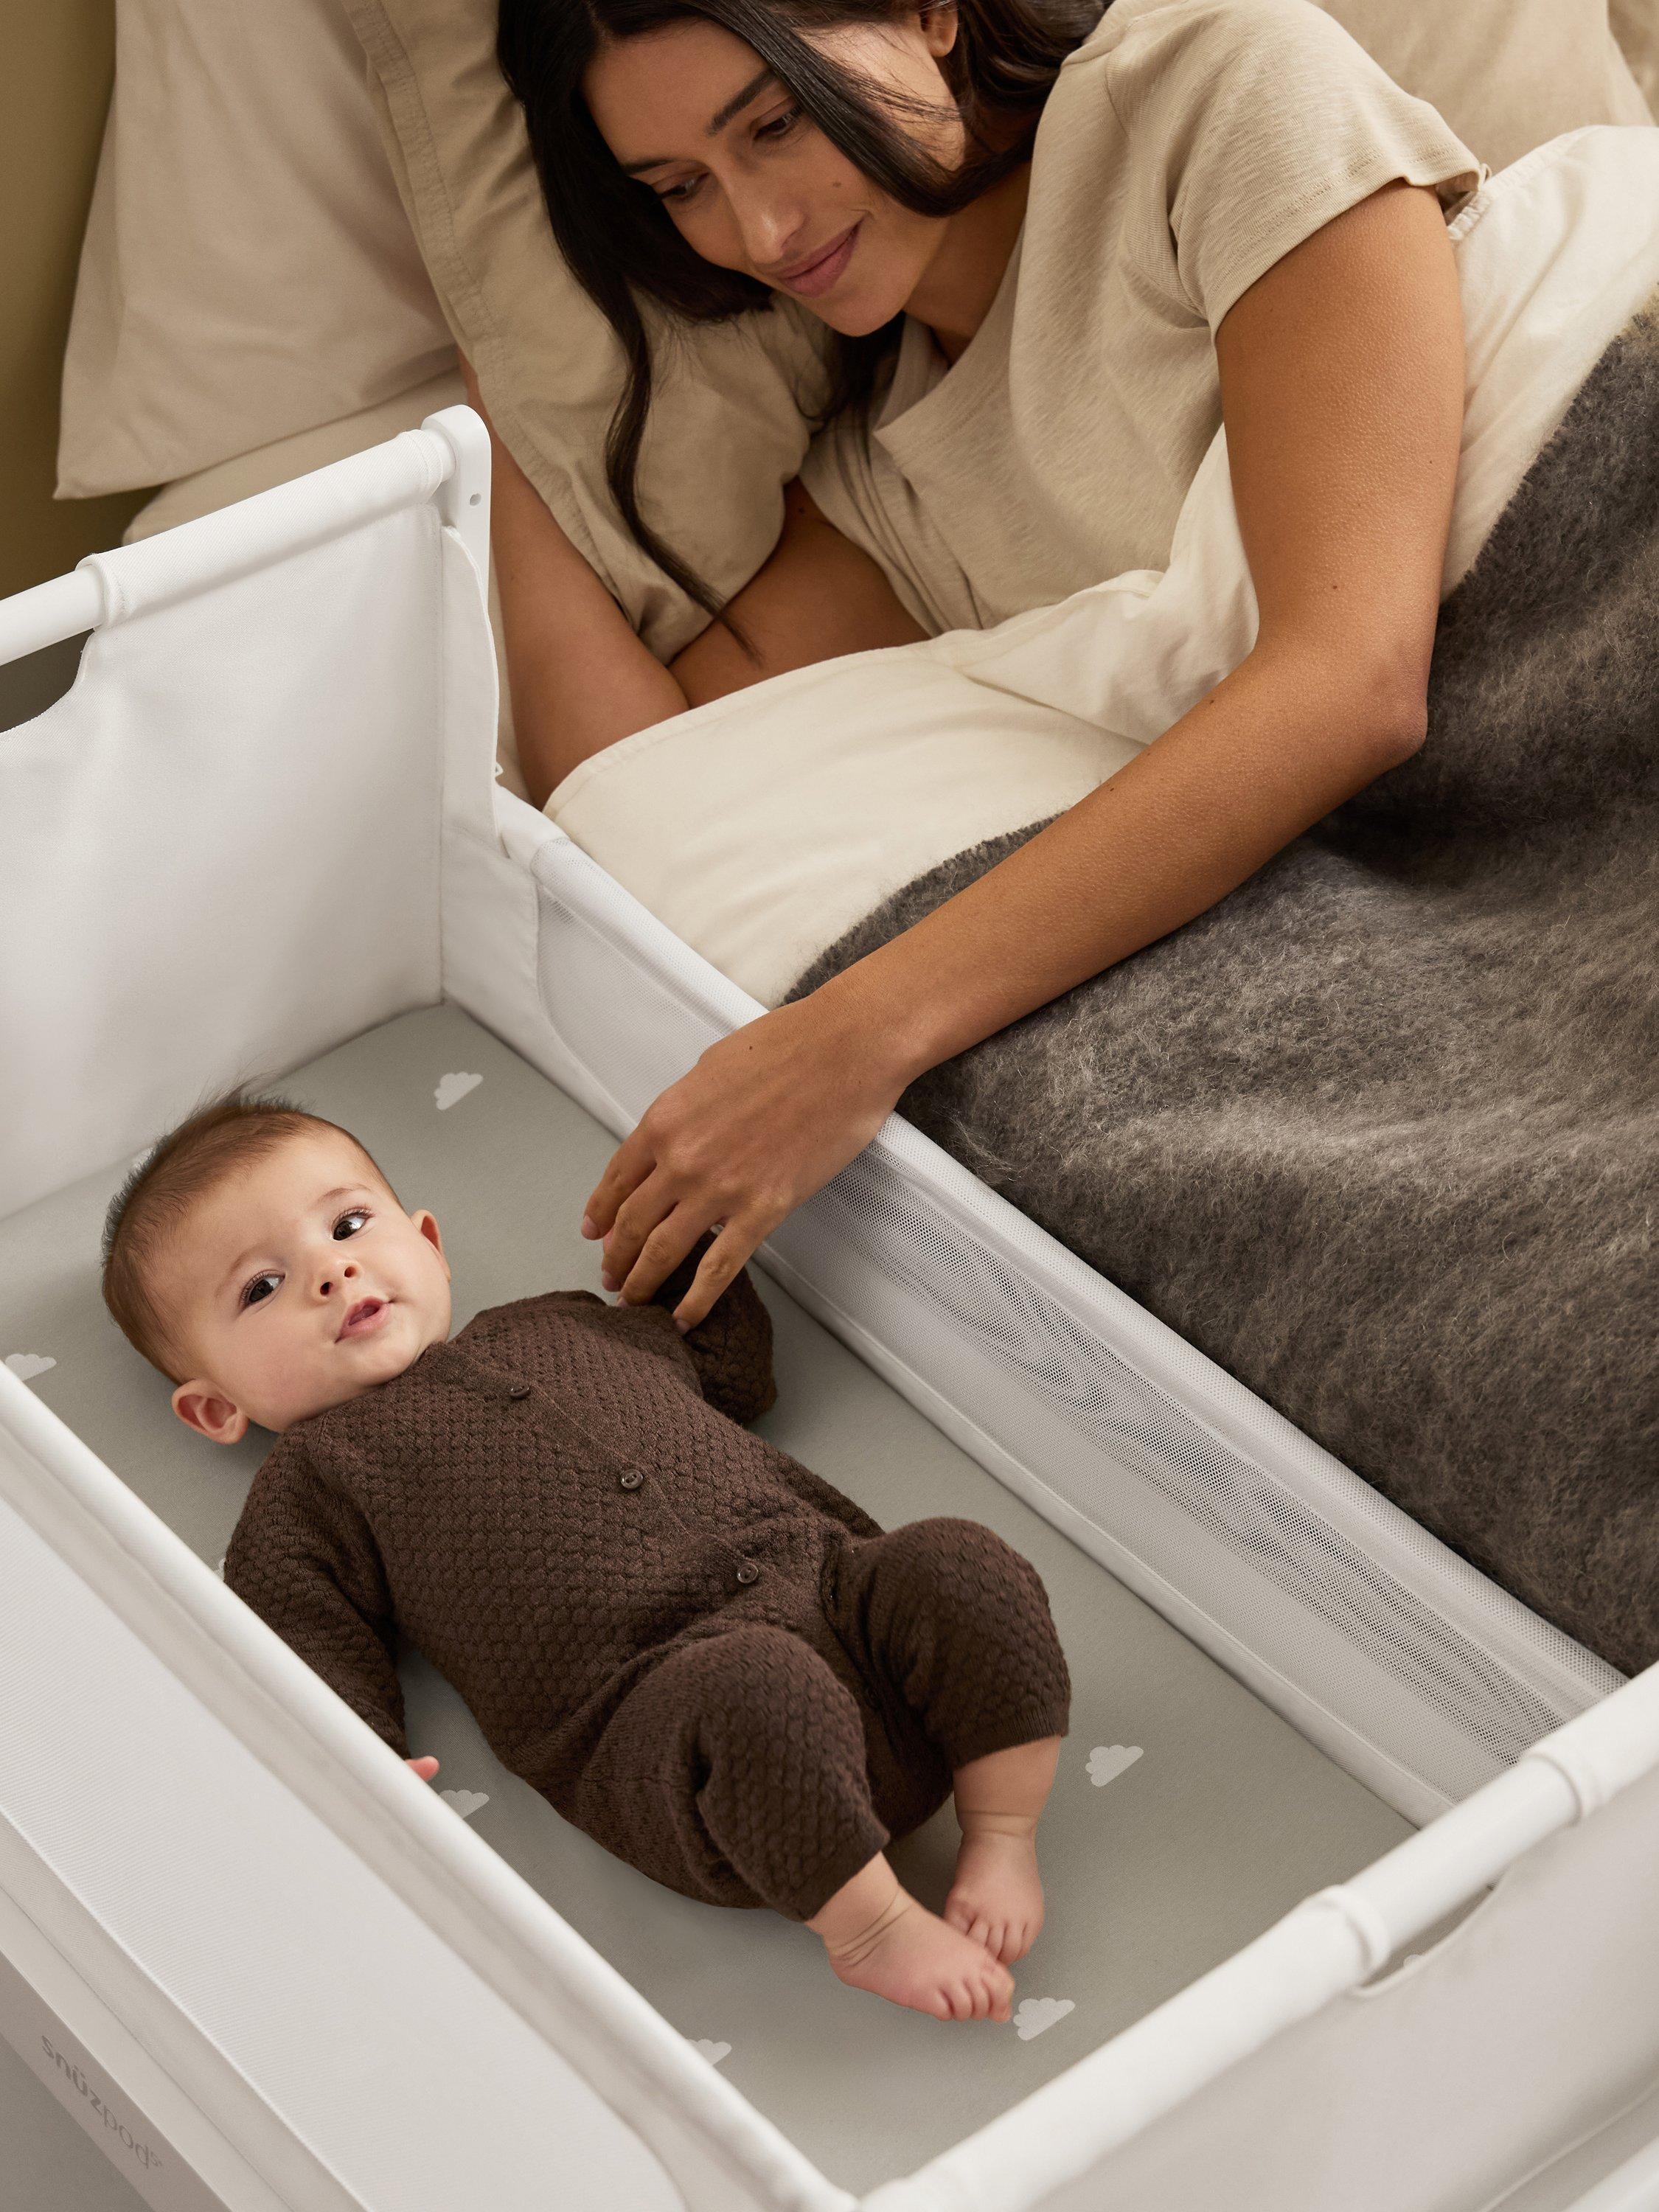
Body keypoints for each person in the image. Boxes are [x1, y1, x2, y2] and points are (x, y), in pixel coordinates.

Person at [473, 0, 1480, 1336]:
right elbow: (637, 783)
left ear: (929, 11)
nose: (761, 231)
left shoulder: (1211, 90)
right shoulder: (884, 479)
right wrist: (495, 425)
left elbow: (1349, 680)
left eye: (774, 124)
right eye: (680, 189)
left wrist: (849, 1042)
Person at [100, 1092, 1074, 2022]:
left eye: (349, 1225)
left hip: (845, 1608)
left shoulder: (560, 1323)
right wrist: (358, 1761)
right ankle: (870, 1928)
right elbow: (294, 1626)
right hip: (676, 1728)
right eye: (261, 1288)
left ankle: (1000, 1831)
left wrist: (688, 1251)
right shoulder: (315, 1482)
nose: (331, 1273)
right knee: (756, 1686)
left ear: (428, 1244)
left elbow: (732, 1373)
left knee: (957, 1563)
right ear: (216, 1408)